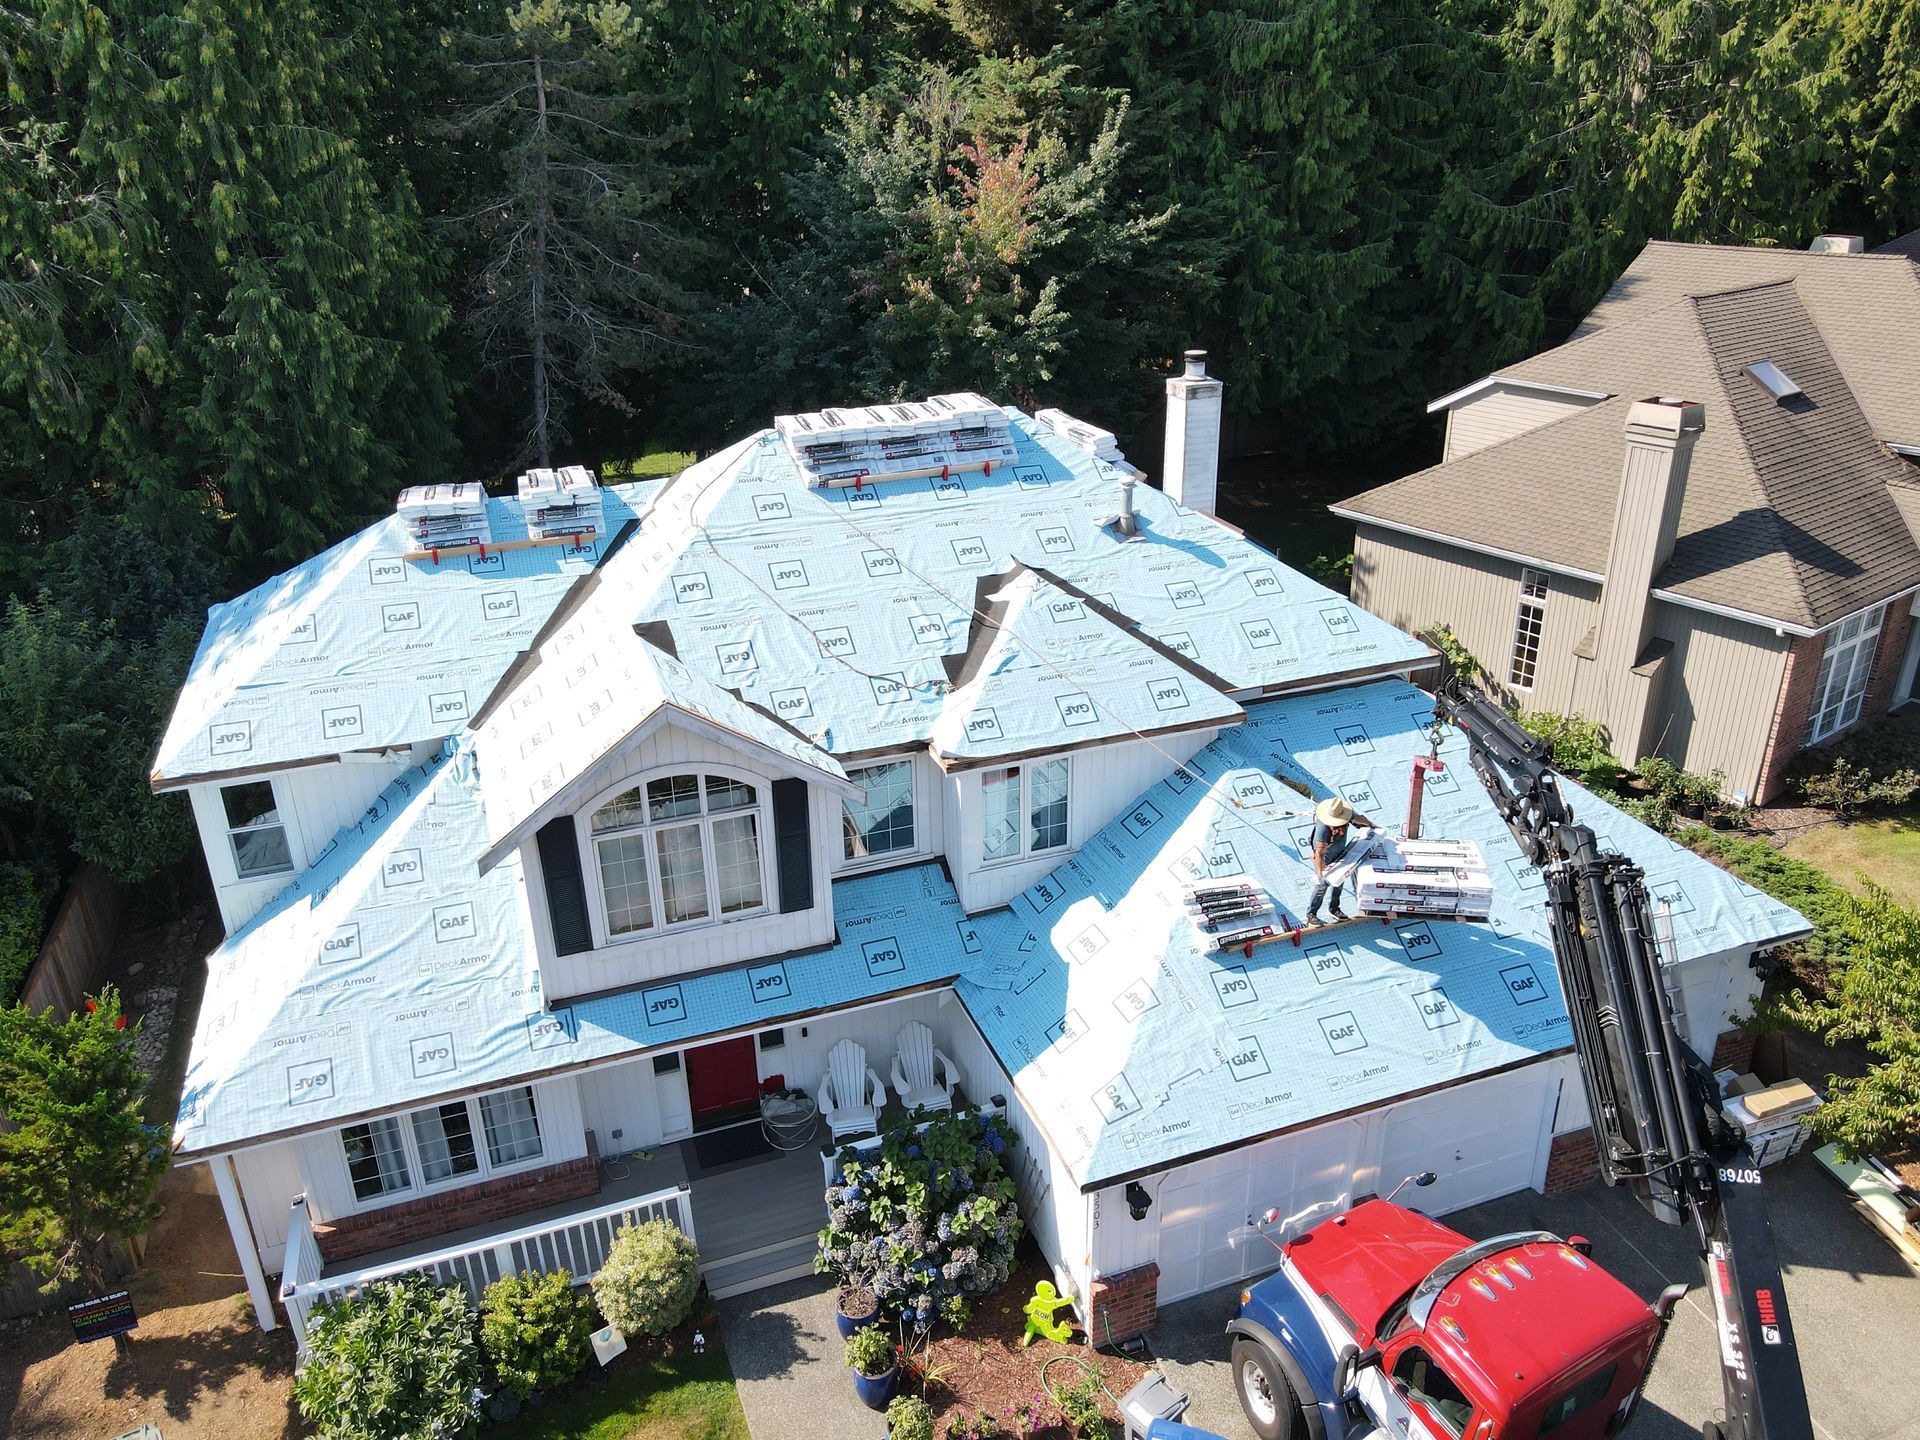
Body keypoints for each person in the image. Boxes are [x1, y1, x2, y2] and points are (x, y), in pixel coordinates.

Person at [1305, 795, 1370, 925]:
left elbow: (1359, 818)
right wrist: (1320, 872)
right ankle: (1311, 914)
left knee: (1338, 881)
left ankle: (1334, 909)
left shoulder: (1345, 814)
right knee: (1322, 885)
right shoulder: (1323, 829)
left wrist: (1370, 825)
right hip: (1326, 856)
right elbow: (1318, 853)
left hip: (1340, 853)